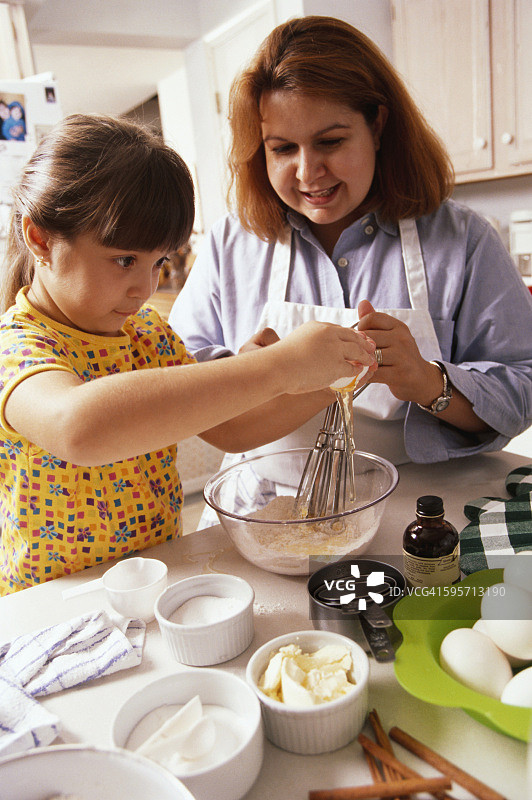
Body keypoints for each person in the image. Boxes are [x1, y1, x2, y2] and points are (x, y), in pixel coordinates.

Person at [0, 113, 377, 594]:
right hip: (55, 601)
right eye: (124, 260)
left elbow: (233, 428)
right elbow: (81, 428)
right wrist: (277, 365)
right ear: (41, 239)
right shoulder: (16, 347)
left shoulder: (149, 335)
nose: (145, 286)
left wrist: (334, 376)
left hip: (155, 577)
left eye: (159, 261)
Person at [170, 15, 532, 498]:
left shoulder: (463, 240)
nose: (308, 171)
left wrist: (428, 382)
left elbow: (522, 391)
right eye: (282, 149)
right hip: (265, 508)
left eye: (331, 141)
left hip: (418, 507)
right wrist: (247, 373)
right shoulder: (230, 245)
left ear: (378, 126)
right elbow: (176, 379)